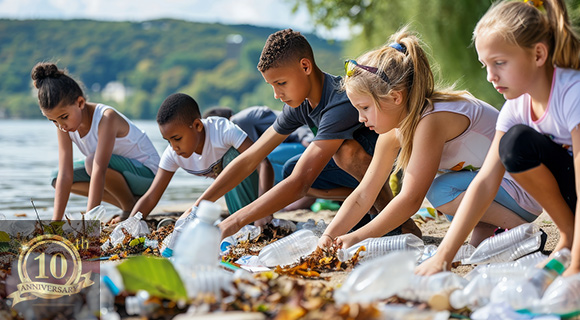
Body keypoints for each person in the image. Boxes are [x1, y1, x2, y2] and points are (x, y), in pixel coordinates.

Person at [318, 28, 542, 250]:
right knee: (473, 249)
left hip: (525, 189)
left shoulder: (432, 120)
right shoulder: (393, 134)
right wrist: (330, 234)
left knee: (441, 191)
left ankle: (522, 229)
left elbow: (411, 200)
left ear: (395, 97)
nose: (360, 118)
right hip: (494, 191)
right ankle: (496, 231)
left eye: (364, 107)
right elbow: (364, 194)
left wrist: (357, 237)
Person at [194, 28, 421, 238]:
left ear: (305, 66)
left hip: (390, 161)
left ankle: (394, 217)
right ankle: (366, 206)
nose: (276, 94)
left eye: (281, 83)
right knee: (291, 167)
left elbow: (300, 183)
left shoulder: (339, 100)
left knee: (342, 152)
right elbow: (250, 157)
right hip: (361, 175)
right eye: (271, 85)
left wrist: (234, 222)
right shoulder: (299, 105)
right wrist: (198, 207)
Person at [416, 0, 580, 276]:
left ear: (538, 54)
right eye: (485, 66)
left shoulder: (571, 92)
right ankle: (568, 236)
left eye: (500, 63)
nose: (491, 77)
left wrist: (576, 266)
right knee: (514, 145)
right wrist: (443, 257)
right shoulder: (515, 109)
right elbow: (484, 182)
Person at [31, 62, 160, 221]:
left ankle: (128, 210)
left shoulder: (106, 117)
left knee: (91, 162)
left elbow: (99, 169)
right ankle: (134, 207)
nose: (61, 126)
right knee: (57, 179)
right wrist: (55, 224)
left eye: (64, 117)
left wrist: (89, 222)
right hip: (121, 175)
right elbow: (66, 174)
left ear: (80, 103)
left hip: (149, 176)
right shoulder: (63, 126)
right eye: (54, 121)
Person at [125, 93, 273, 221]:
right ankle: (244, 220)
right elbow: (151, 196)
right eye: (168, 141)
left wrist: (263, 210)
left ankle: (252, 219)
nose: (173, 146)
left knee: (232, 158)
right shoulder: (173, 153)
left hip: (262, 186)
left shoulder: (223, 130)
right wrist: (130, 223)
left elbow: (263, 163)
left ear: (197, 126)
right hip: (234, 196)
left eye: (177, 138)